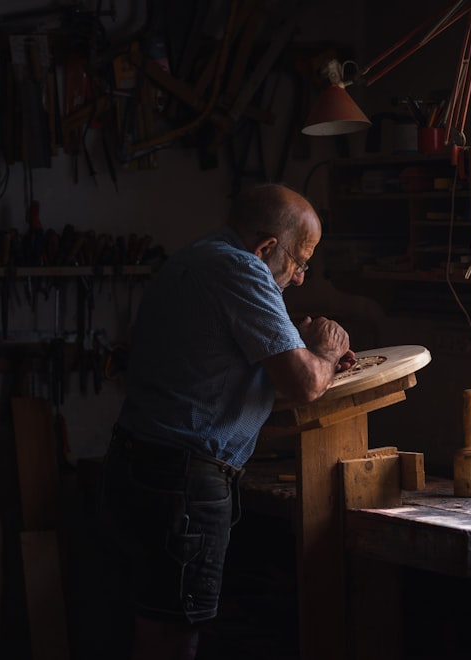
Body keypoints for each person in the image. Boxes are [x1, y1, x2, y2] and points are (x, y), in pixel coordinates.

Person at [100, 183, 355, 660]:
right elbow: (304, 384)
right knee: (173, 637)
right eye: (299, 261)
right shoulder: (242, 268)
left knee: (144, 623)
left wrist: (289, 340)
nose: (300, 278)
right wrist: (324, 350)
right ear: (265, 247)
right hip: (182, 481)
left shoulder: (194, 257)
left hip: (140, 464)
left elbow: (217, 354)